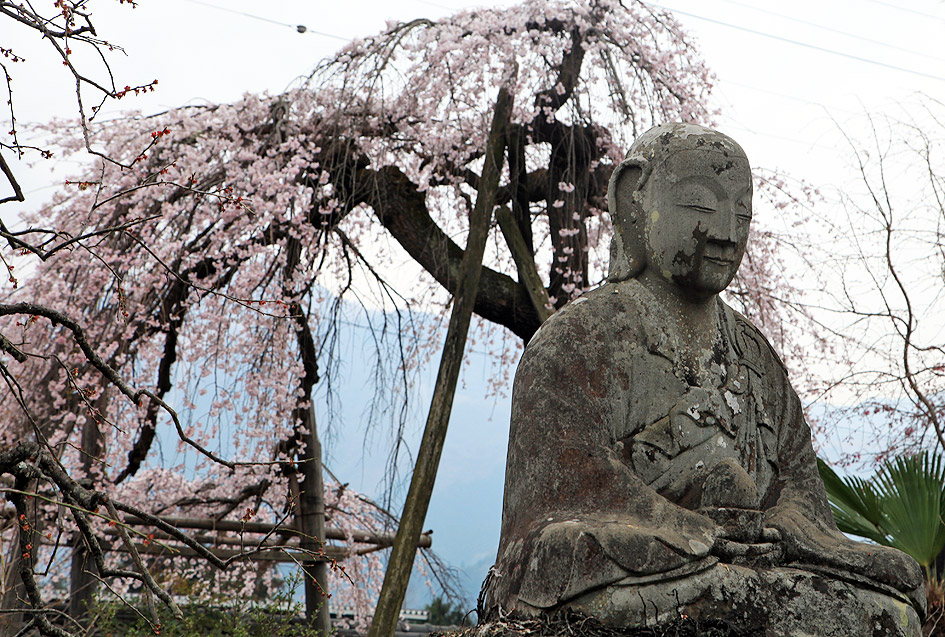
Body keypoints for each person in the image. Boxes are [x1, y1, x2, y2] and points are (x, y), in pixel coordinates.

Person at [478, 123, 924, 634]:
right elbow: (558, 502)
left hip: (747, 570)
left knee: (893, 604)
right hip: (648, 570)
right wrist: (684, 525)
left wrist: (781, 528)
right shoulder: (578, 341)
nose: (727, 233)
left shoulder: (757, 358)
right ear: (633, 201)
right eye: (700, 205)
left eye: (742, 213)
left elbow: (802, 496)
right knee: (605, 573)